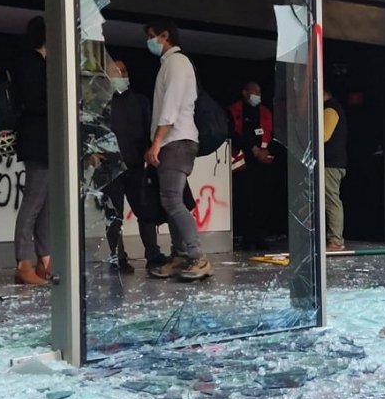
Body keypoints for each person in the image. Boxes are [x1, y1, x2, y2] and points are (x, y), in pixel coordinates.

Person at [143, 18, 213, 280]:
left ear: (164, 35)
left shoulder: (176, 62)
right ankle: (181, 255)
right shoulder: (171, 64)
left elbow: (170, 107)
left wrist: (156, 142)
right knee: (171, 200)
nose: (148, 42)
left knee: (172, 201)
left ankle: (197, 256)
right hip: (175, 141)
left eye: (151, 35)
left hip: (176, 142)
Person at [100, 61, 163, 273]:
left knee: (146, 212)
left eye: (123, 71)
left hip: (137, 166)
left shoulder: (140, 101)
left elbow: (149, 130)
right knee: (113, 216)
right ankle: (118, 258)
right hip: (110, 168)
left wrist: (150, 150)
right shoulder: (100, 103)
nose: (121, 75)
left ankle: (153, 255)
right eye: (115, 72)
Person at [12, 16, 51, 285]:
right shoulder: (31, 63)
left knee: (45, 204)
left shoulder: (39, 63)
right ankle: (23, 262)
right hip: (38, 141)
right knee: (34, 203)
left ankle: (44, 259)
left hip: (45, 142)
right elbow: (35, 102)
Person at [229, 81, 274, 251]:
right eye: (254, 91)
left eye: (259, 91)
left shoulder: (265, 112)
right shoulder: (235, 110)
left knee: (263, 200)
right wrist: (254, 151)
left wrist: (266, 153)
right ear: (244, 92)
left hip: (264, 162)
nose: (257, 94)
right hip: (244, 163)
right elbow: (234, 134)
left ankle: (260, 236)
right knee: (245, 200)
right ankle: (246, 237)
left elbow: (272, 134)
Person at [323, 89, 348, 252]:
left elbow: (323, 135)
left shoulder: (330, 109)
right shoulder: (334, 108)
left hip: (331, 164)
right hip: (334, 163)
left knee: (331, 199)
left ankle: (336, 240)